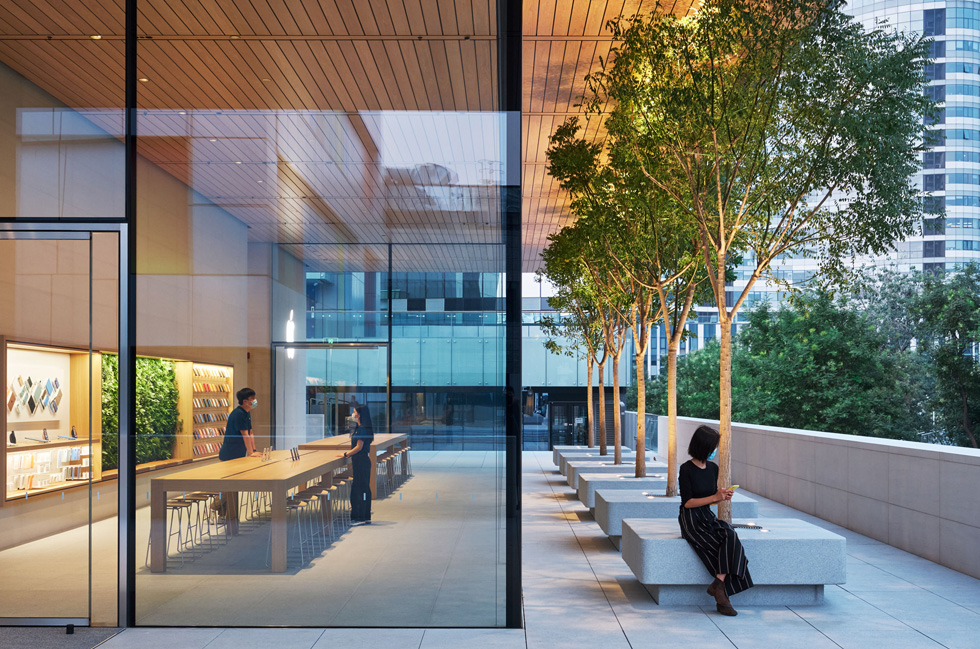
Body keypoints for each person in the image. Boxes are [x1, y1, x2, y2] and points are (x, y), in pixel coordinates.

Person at [678, 425, 753, 616]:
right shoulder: (686, 469)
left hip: (706, 515)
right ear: (703, 446)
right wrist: (714, 498)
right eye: (712, 447)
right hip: (691, 519)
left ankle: (718, 583)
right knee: (716, 547)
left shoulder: (713, 468)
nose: (714, 451)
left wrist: (721, 496)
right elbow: (687, 503)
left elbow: (709, 497)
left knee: (730, 534)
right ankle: (721, 594)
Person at [342, 404, 374, 525]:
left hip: (360, 461)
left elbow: (359, 447)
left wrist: (346, 454)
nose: (353, 414)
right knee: (364, 488)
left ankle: (359, 518)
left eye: (354, 412)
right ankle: (365, 516)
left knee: (358, 489)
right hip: (363, 461)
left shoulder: (361, 429)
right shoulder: (363, 427)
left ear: (359, 415)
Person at [218, 387, 261, 461]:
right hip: (230, 453)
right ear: (245, 401)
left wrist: (254, 450)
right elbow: (245, 434)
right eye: (252, 398)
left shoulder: (246, 412)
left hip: (239, 452)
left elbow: (250, 432)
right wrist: (251, 453)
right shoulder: (239, 413)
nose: (255, 400)